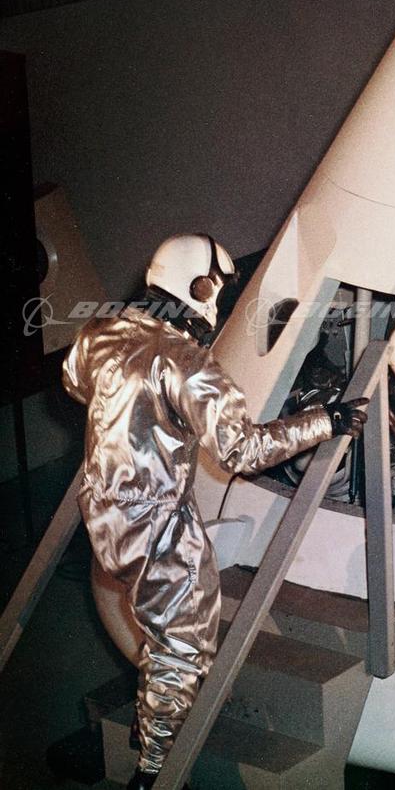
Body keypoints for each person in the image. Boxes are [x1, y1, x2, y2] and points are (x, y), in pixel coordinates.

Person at [62, 234, 367, 790]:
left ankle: (154, 727)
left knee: (156, 626)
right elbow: (241, 452)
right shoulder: (188, 365)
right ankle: (154, 768)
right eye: (218, 289)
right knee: (182, 647)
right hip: (158, 528)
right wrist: (326, 421)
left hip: (102, 512)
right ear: (200, 288)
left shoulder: (99, 334)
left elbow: (76, 381)